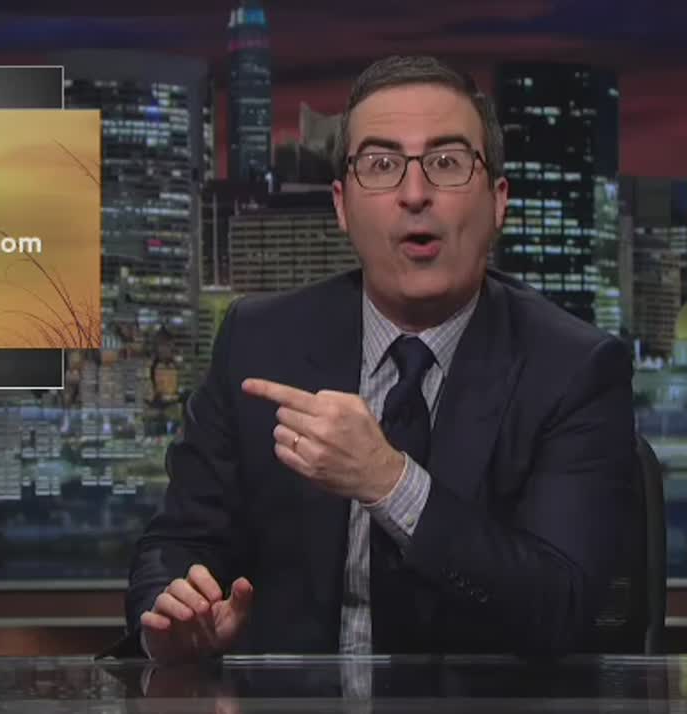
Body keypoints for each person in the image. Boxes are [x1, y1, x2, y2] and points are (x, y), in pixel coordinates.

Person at [104, 56, 638, 662]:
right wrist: (171, 614)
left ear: (498, 202)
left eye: (447, 162)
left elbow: (562, 608)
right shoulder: (258, 342)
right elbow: (177, 542)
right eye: (381, 166)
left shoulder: (574, 369)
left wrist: (391, 483)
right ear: (341, 205)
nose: (415, 194)